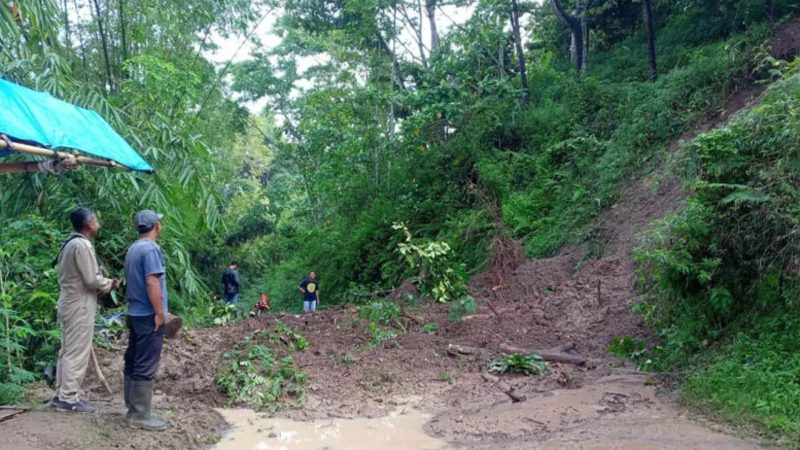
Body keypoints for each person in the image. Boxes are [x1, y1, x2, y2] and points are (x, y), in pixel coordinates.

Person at [51, 207, 119, 413]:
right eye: (95, 220)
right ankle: (69, 397)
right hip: (79, 304)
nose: (98, 222)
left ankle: (61, 392)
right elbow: (91, 279)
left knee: (67, 349)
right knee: (76, 351)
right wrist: (109, 283)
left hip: (68, 301)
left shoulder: (70, 243)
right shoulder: (82, 245)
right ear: (88, 224)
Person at [123, 210, 168, 431]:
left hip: (134, 312)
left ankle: (132, 407)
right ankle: (140, 415)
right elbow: (152, 282)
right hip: (147, 314)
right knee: (145, 362)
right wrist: (159, 313)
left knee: (133, 359)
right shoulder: (151, 249)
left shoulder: (134, 248)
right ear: (156, 225)